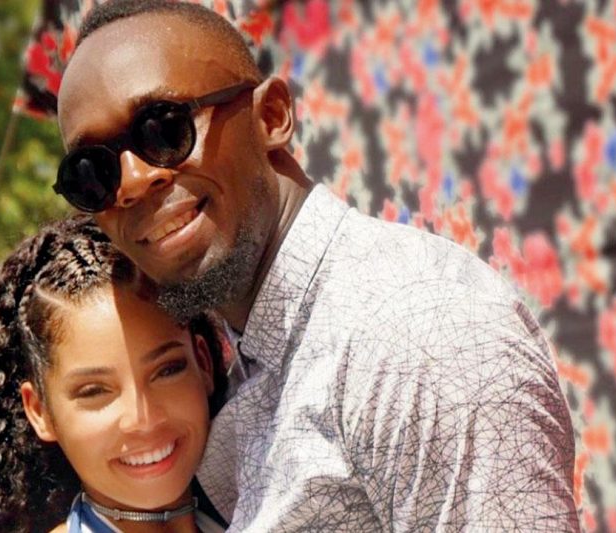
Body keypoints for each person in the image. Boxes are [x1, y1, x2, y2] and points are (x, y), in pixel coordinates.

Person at [54, 1, 580, 530]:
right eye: (91, 172)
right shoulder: (255, 353)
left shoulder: (417, 334)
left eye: (165, 131)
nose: (132, 182)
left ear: (271, 117)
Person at [0, 215, 229, 532]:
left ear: (203, 363)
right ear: (39, 411)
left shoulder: (251, 508)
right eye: (94, 391)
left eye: (167, 370)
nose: (142, 419)